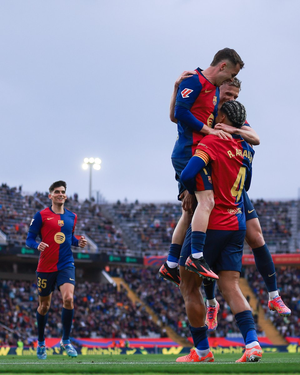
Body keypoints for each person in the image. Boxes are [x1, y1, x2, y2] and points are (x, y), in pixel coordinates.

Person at [161, 74, 291, 324]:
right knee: (196, 222)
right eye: (228, 94)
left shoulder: (232, 115)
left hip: (230, 185)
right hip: (198, 172)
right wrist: (190, 189)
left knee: (256, 236)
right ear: (217, 89)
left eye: (234, 97)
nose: (230, 99)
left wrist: (232, 128)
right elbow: (176, 116)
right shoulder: (203, 106)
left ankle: (274, 294)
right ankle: (207, 298)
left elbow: (256, 138)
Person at [177, 100, 262, 363]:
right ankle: (252, 344)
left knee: (189, 286)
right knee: (231, 286)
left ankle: (202, 351)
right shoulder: (246, 148)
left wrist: (193, 191)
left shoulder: (212, 142)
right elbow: (246, 184)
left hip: (211, 222)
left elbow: (187, 174)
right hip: (236, 223)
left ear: (222, 116)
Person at [159, 48, 244, 285]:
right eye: (230, 75)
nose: (230, 80)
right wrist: (209, 130)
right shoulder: (196, 81)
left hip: (199, 151)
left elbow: (177, 116)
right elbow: (179, 114)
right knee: (206, 202)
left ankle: (171, 264)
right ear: (223, 67)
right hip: (189, 152)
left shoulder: (214, 90)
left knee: (191, 209)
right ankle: (196, 257)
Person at [26, 180, 87, 360]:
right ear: (50, 195)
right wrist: (37, 245)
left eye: (63, 192)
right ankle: (41, 342)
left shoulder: (72, 216)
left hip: (66, 264)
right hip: (45, 267)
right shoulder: (41, 216)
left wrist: (79, 242)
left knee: (68, 299)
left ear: (66, 196)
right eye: (57, 191)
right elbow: (29, 239)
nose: (61, 194)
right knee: (44, 306)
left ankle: (66, 341)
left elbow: (69, 239)